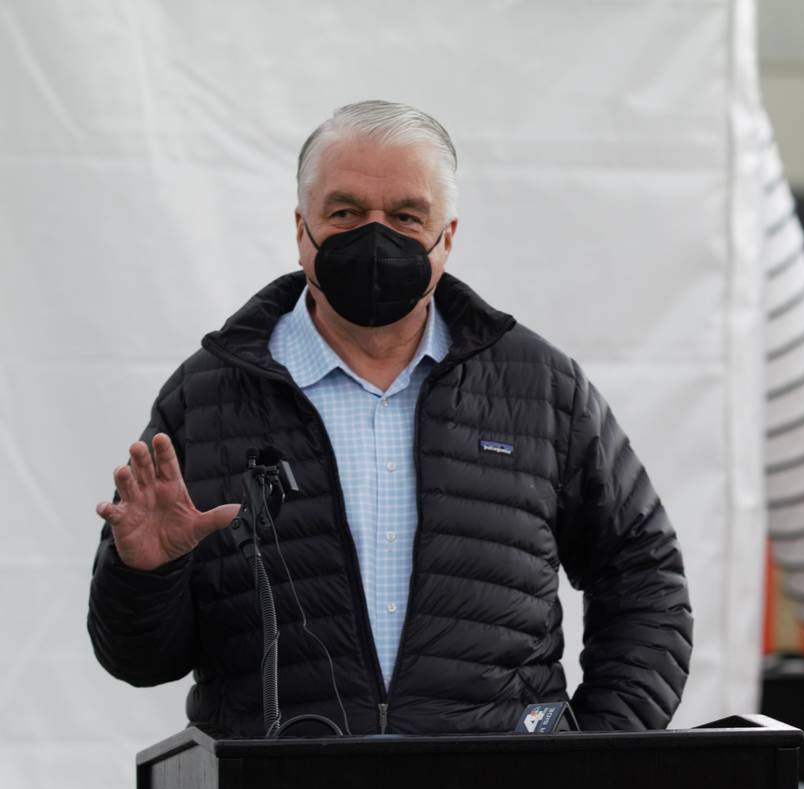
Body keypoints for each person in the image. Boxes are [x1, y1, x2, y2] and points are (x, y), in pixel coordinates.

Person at [87, 100, 692, 737]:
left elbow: (644, 576)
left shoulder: (538, 388)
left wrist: (596, 753)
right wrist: (147, 574)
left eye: (406, 215)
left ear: (446, 237)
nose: (375, 236)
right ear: (302, 229)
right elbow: (140, 659)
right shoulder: (207, 399)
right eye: (345, 212)